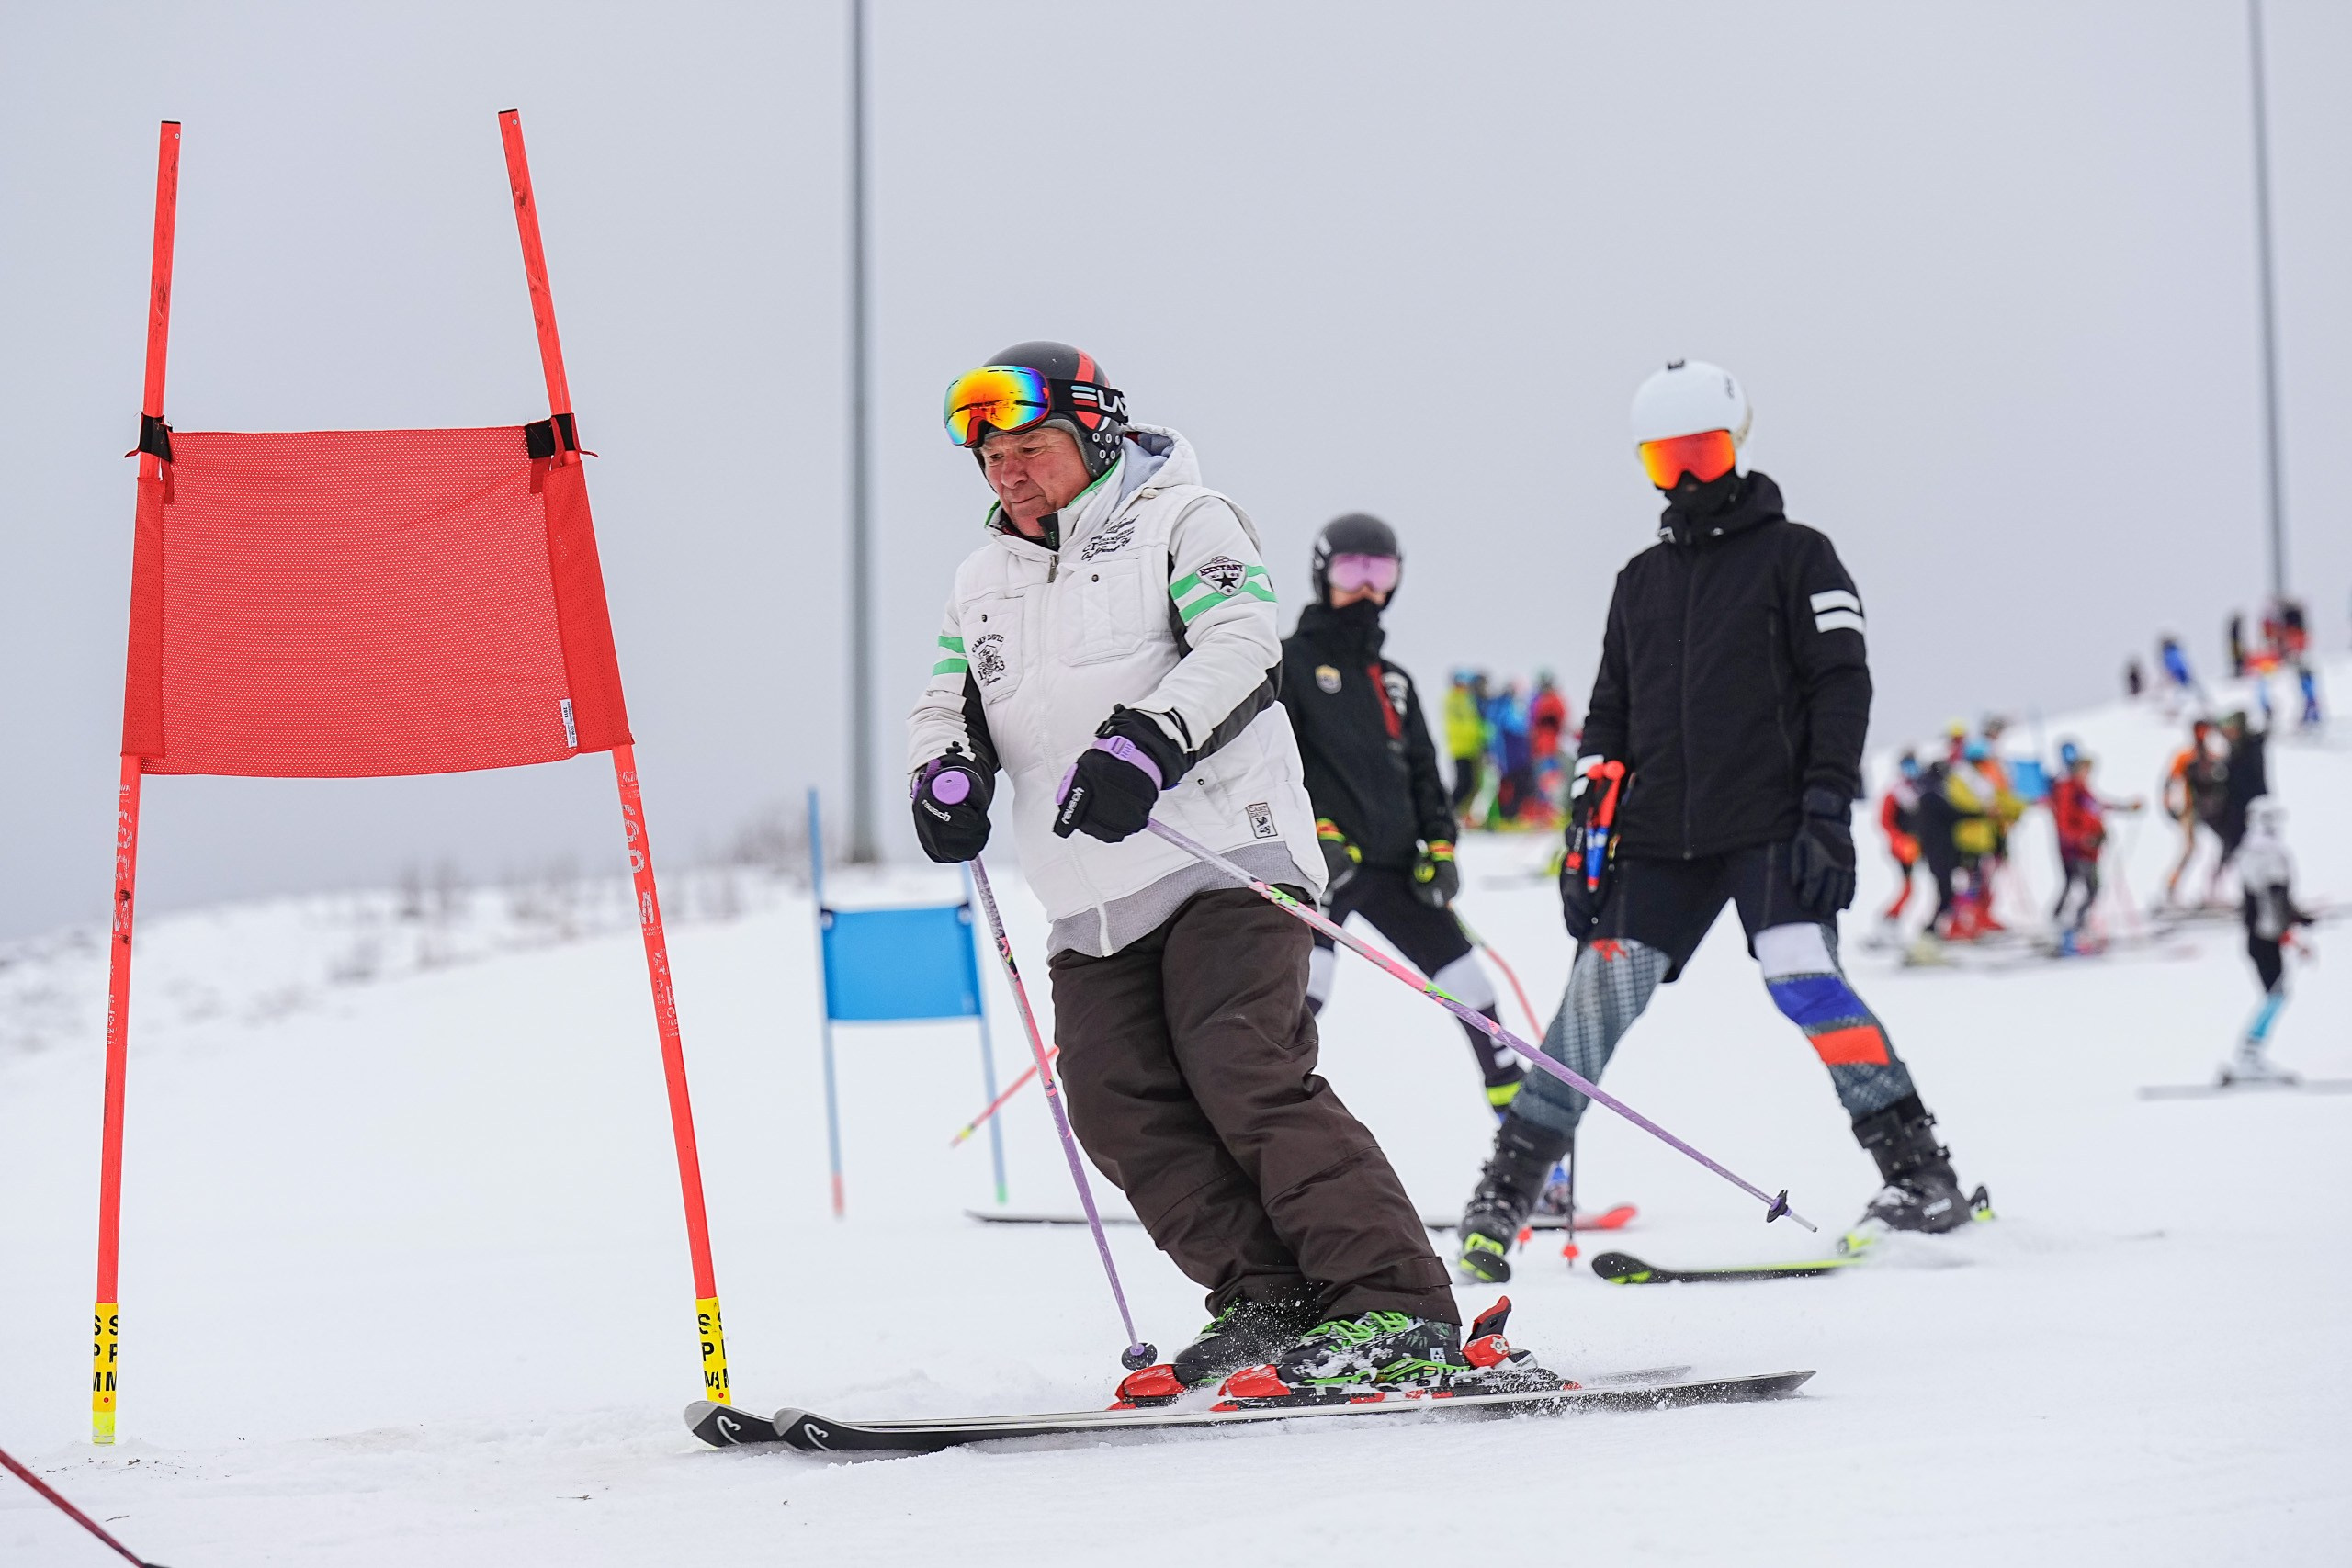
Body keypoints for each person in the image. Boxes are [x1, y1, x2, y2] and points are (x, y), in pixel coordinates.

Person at [909, 342, 1469, 1395]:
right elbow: (949, 699)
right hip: (1087, 890)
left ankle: (1394, 1305)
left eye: (1030, 449)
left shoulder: (1183, 517)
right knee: (1115, 1101)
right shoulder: (980, 580)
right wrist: (941, 772)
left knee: (1241, 1066)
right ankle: (1267, 1297)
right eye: (992, 460)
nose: (1009, 474)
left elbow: (1242, 641)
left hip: (1224, 850)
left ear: (1094, 435)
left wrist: (1149, 741)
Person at [1453, 360, 1985, 1283]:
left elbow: (1840, 684)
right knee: (1593, 1001)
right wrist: (1588, 836)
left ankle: (1919, 1173)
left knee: (1800, 974)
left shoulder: (1799, 557)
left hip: (1773, 821)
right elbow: (1607, 717)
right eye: (1667, 461)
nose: (1688, 477)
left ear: (1736, 444)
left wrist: (1827, 804)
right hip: (1659, 835)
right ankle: (1508, 1191)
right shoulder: (1639, 581)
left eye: (1701, 453)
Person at [1282, 513, 1525, 1113]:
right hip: (1325, 870)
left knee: (1475, 992)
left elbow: (1423, 775)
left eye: (1380, 571)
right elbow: (1278, 765)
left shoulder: (1393, 680)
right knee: (1304, 998)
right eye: (1351, 569)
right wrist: (1318, 833)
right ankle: (1248, 1140)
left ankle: (1530, 1161)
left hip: (1395, 871)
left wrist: (1440, 850)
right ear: (1322, 574)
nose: (1366, 586)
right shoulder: (1291, 663)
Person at [2222, 797, 2314, 1084]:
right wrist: (2289, 931)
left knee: (2275, 994)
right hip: (2265, 936)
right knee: (2276, 994)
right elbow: (2271, 902)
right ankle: (2249, 1054)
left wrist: (2296, 918)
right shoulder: (2268, 854)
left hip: (2260, 935)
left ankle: (2250, 1053)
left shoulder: (2252, 851)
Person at [2046, 742, 2140, 953]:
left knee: (2082, 887)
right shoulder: (2067, 791)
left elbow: (2099, 806)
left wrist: (2125, 807)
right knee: (2085, 887)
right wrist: (2083, 839)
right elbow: (2063, 824)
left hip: (2089, 850)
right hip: (2075, 851)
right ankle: (2068, 927)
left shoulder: (2083, 790)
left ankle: (2069, 925)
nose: (2088, 773)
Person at [2161, 719, 2228, 908]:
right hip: (2190, 808)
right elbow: (2170, 780)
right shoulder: (2186, 757)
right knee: (2190, 849)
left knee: (2222, 845)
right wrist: (2169, 805)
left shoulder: (2210, 756)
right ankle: (2172, 888)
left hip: (2210, 809)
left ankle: (2212, 889)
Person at [1876, 751, 1925, 938]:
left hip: (1916, 847)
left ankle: (1894, 924)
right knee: (1908, 888)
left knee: (1913, 889)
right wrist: (1899, 841)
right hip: (1902, 848)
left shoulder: (1918, 789)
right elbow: (1885, 821)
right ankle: (1887, 921)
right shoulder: (1895, 792)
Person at [2214, 710, 2270, 868]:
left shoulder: (2249, 747)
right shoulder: (2238, 747)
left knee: (2256, 847)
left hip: (2252, 807)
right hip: (2239, 808)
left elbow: (2245, 777)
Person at [1443, 671, 1486, 815]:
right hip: (1461, 747)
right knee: (1464, 784)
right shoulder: (1455, 700)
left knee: (1473, 784)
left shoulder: (1466, 699)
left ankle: (1461, 812)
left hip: (1471, 747)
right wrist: (1482, 732)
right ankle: (1448, 811)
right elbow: (1465, 725)